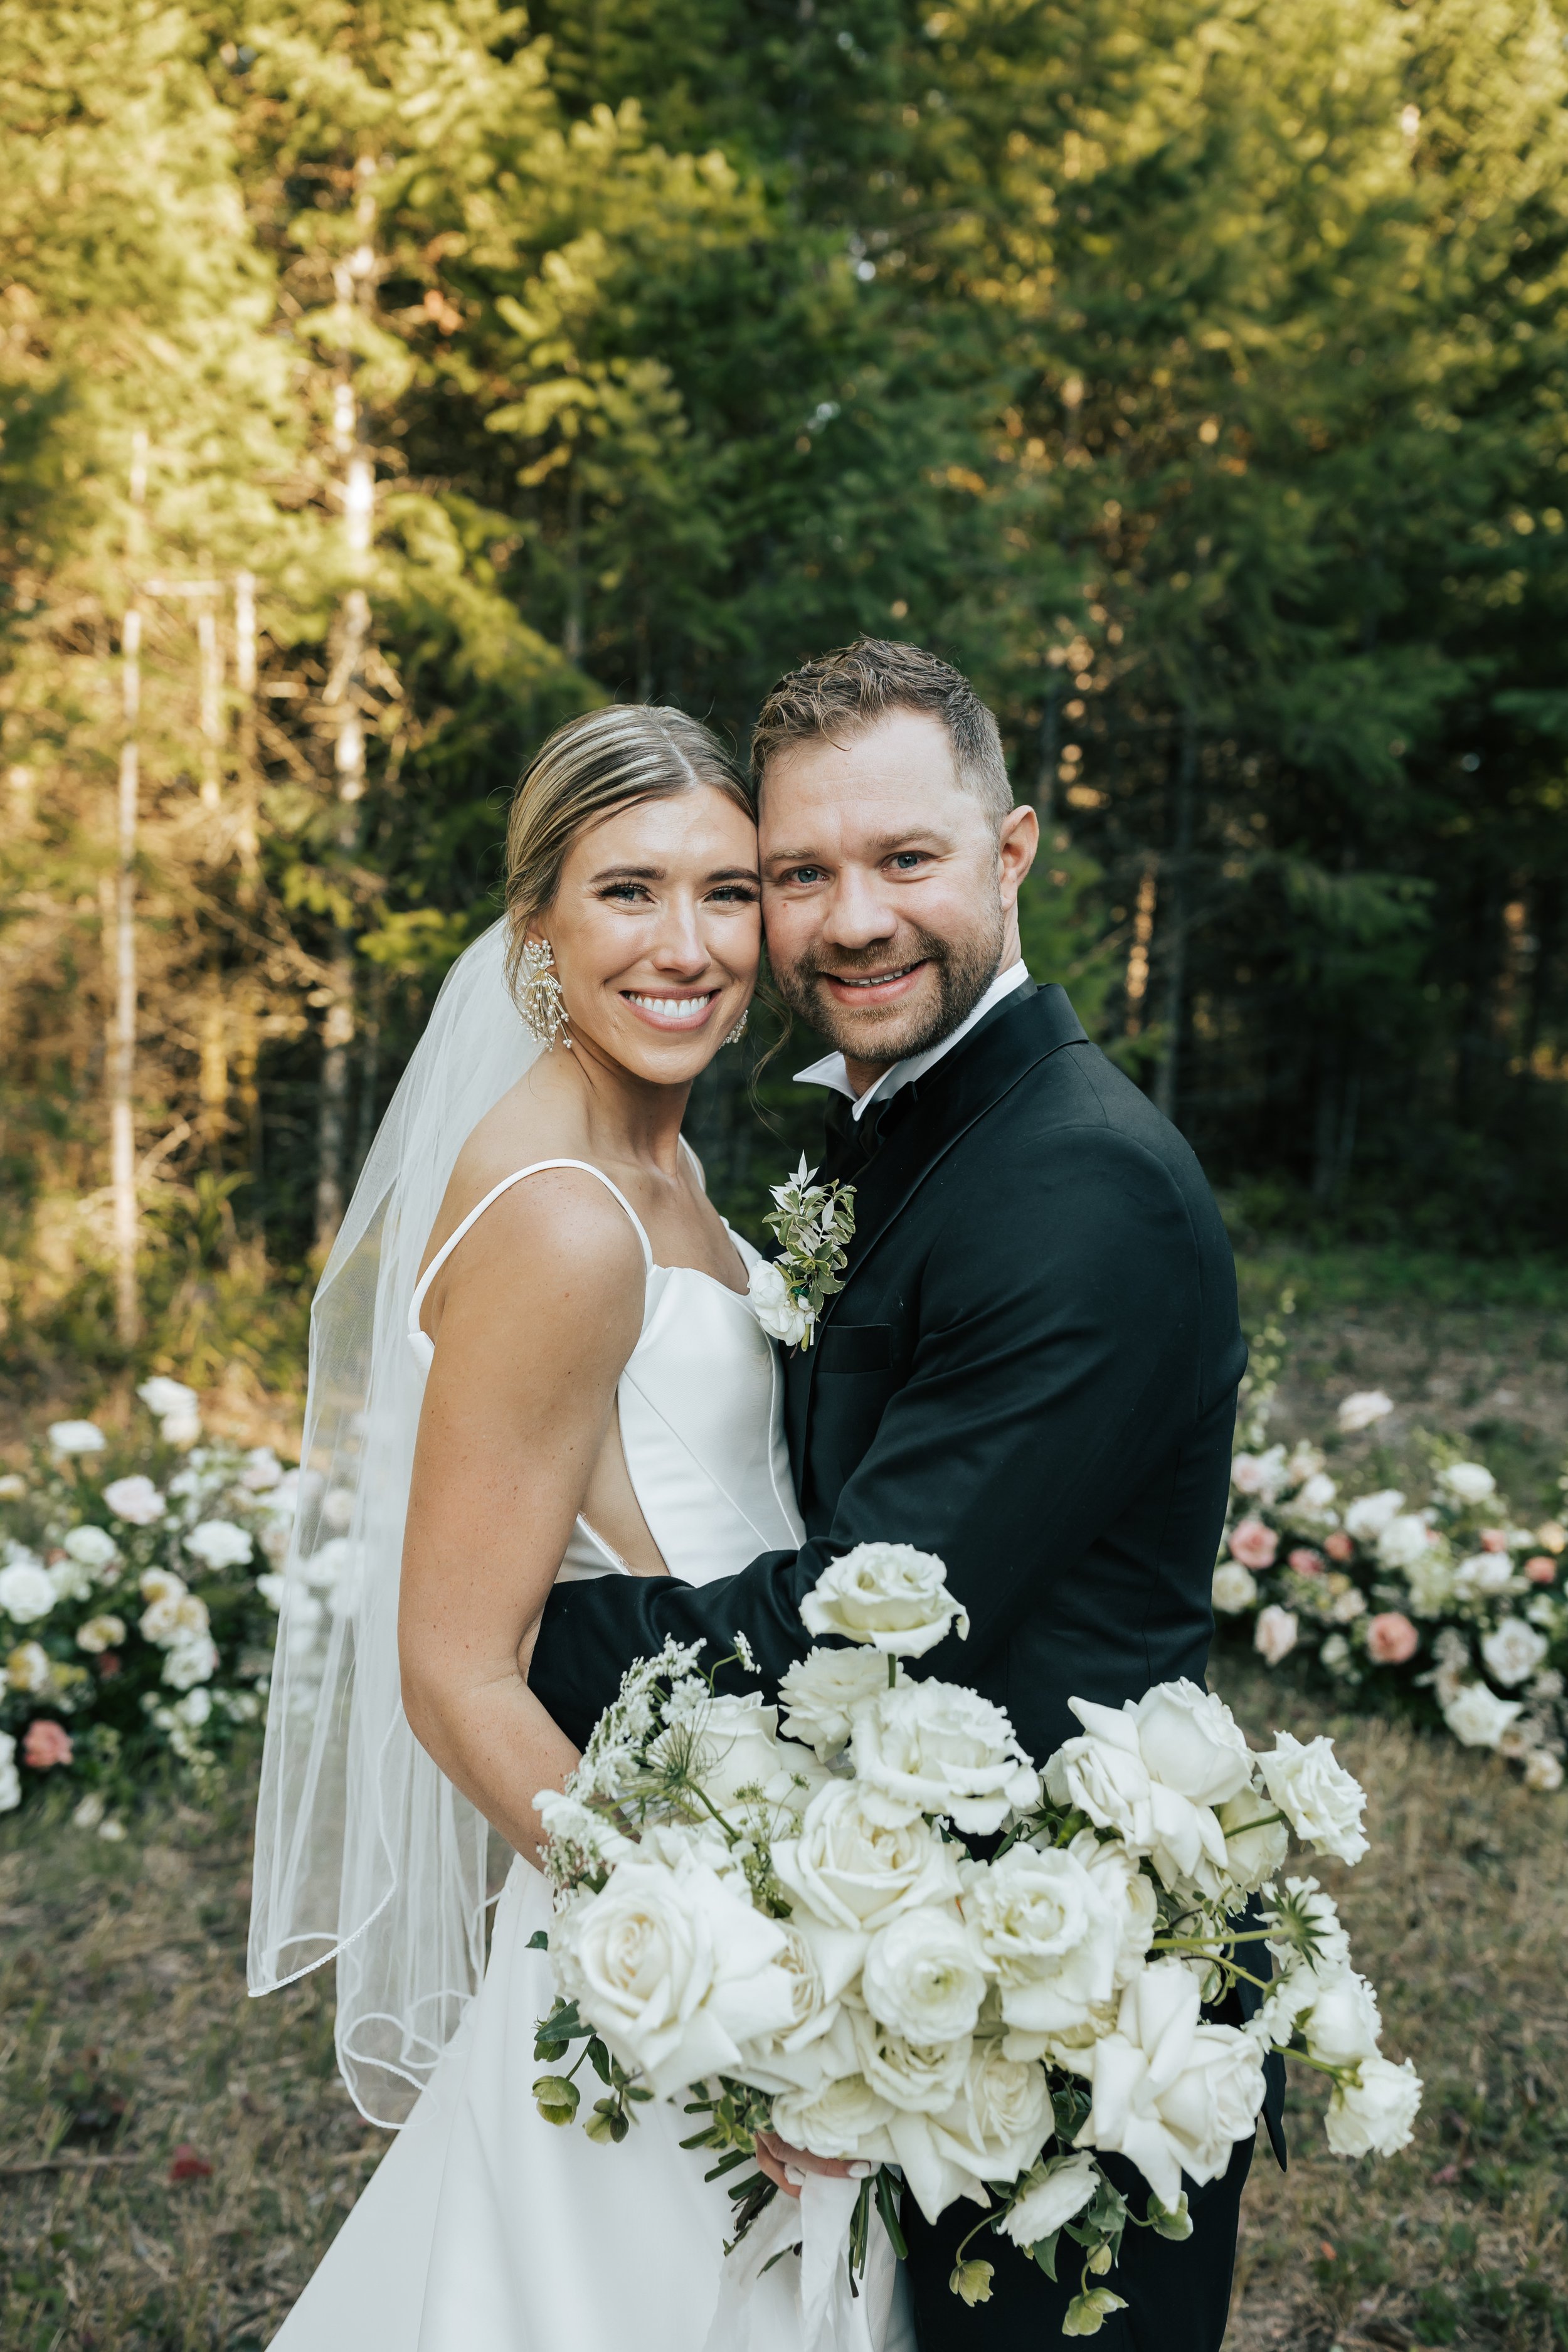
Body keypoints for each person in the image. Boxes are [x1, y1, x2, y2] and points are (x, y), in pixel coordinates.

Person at [525, 638, 1285, 2351]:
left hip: (1044, 2018)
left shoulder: (1078, 1188)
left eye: (905, 861)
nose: (851, 919)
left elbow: (869, 1622)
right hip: (883, 1956)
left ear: (1011, 855)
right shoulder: (902, 1131)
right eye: (800, 874)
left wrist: (538, 1639)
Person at [248, 702, 912, 2352]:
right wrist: (715, 1968)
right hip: (667, 1903)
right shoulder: (561, 1218)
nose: (685, 947)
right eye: (627, 893)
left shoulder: (665, 1167)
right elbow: (459, 1672)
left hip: (756, 1832)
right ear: (534, 922)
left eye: (725, 893)